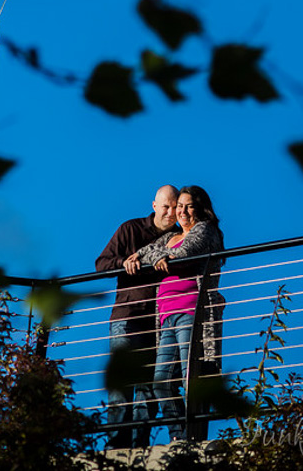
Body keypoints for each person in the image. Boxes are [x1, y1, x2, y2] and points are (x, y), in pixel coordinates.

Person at [124, 185, 225, 441]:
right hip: (167, 316)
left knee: (192, 377)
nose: (182, 211)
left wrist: (161, 257)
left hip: (191, 312)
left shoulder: (205, 230)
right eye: (179, 205)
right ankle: (180, 437)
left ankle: (192, 437)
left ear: (200, 209)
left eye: (189, 206)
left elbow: (185, 254)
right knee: (161, 382)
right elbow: (144, 252)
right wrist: (148, 256)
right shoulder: (171, 236)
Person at [95, 185, 179, 448]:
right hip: (128, 315)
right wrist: (124, 263)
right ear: (154, 206)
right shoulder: (130, 229)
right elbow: (101, 264)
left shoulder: (179, 238)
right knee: (122, 386)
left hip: (158, 321)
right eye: (165, 206)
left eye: (175, 207)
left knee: (147, 389)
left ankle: (139, 447)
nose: (170, 212)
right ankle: (115, 447)